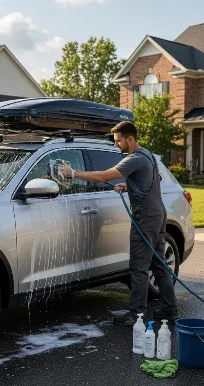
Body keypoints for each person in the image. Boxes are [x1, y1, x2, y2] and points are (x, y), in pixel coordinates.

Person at [59, 120, 179, 326]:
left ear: (130, 139)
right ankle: (170, 308)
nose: (116, 145)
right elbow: (154, 179)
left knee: (139, 267)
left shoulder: (134, 158)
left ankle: (136, 315)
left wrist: (73, 173)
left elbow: (105, 176)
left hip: (146, 218)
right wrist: (129, 185)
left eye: (118, 141)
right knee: (159, 265)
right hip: (159, 215)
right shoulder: (148, 155)